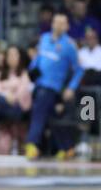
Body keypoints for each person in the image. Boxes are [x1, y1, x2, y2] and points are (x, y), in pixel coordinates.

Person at [25, 11, 83, 159]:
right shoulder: (44, 38)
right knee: (52, 118)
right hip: (39, 84)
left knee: (38, 114)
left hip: (52, 87)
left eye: (62, 22)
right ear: (52, 24)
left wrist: (71, 87)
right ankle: (67, 147)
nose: (58, 25)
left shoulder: (70, 45)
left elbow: (79, 70)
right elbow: (38, 58)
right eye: (56, 22)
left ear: (67, 26)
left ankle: (32, 144)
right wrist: (32, 69)